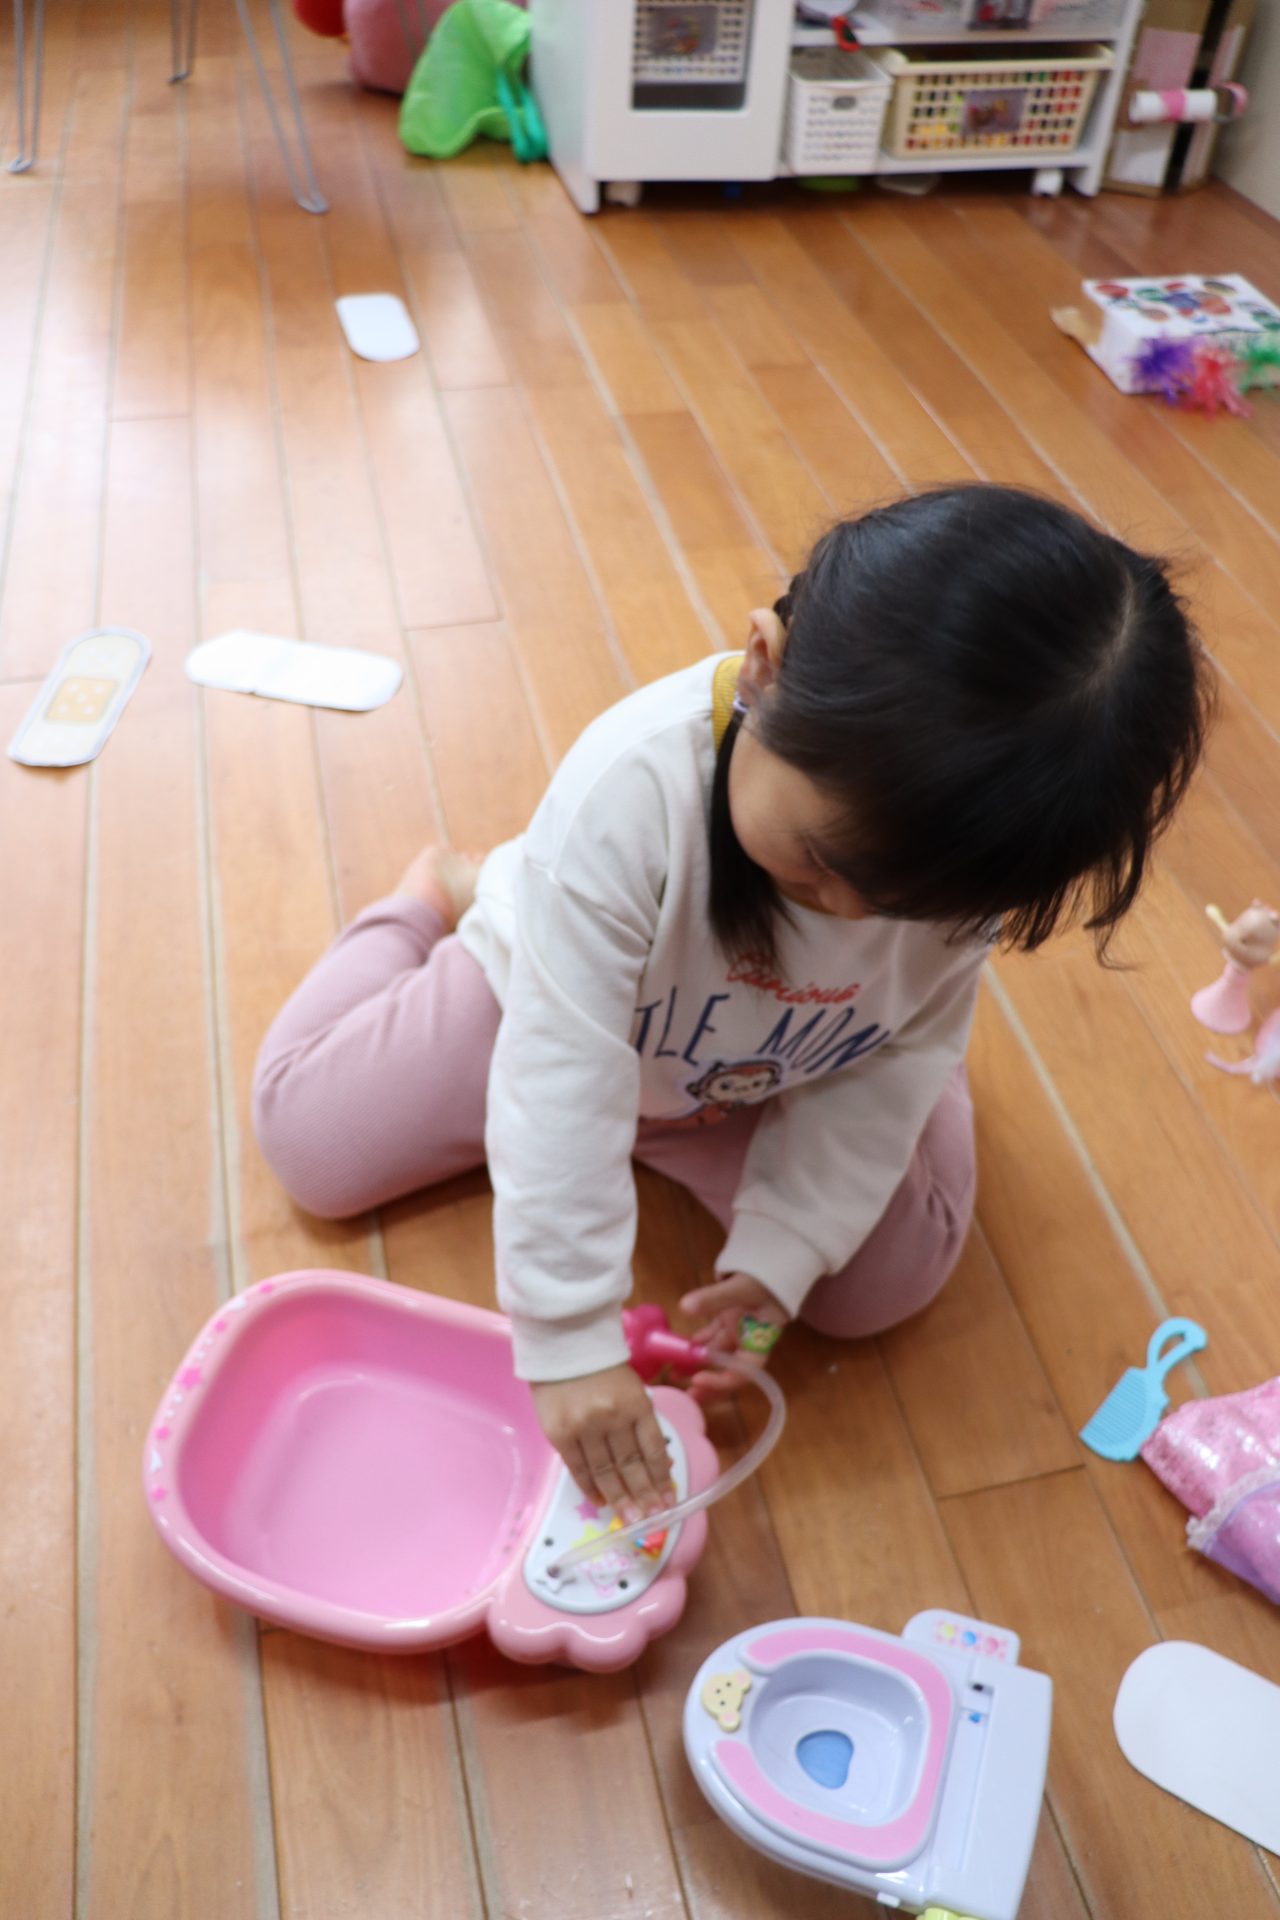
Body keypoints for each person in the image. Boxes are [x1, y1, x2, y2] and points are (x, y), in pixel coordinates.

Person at [252, 486, 1212, 1525]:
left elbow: (888, 1059)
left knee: (877, 1280)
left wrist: (780, 1251)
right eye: (821, 863)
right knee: (312, 1143)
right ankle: (439, 888)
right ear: (764, 665)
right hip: (570, 1009)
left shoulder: (961, 862)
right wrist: (567, 1339)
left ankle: (898, 1082)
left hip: (781, 1061)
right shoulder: (630, 795)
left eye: (903, 904)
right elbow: (559, 1076)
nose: (852, 914)